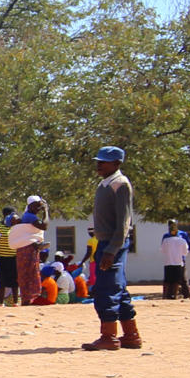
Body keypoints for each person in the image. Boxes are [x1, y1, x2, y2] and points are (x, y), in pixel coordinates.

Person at [82, 146, 140, 351]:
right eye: (98, 161)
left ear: (117, 164)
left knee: (107, 289)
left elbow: (124, 222)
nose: (99, 165)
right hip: (105, 242)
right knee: (119, 289)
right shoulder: (104, 183)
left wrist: (111, 249)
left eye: (104, 161)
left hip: (112, 244)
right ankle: (131, 335)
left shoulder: (120, 184)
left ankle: (109, 336)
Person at [8, 208, 45, 308]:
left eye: (17, 217)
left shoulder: (27, 225)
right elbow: (14, 242)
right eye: (14, 219)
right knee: (23, 274)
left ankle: (31, 297)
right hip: (22, 252)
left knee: (32, 271)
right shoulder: (16, 230)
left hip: (30, 250)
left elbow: (39, 230)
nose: (17, 219)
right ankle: (26, 298)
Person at [160, 221, 190, 300]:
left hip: (170, 261)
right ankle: (172, 295)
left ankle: (185, 294)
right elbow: (185, 251)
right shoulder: (169, 237)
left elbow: (162, 250)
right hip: (178, 261)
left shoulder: (169, 238)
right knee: (175, 280)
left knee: (178, 279)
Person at [0, 209, 18, 305]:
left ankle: (15, 302)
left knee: (14, 281)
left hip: (13, 257)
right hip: (1, 257)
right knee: (1, 281)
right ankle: (1, 302)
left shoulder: (16, 226)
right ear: (5, 215)